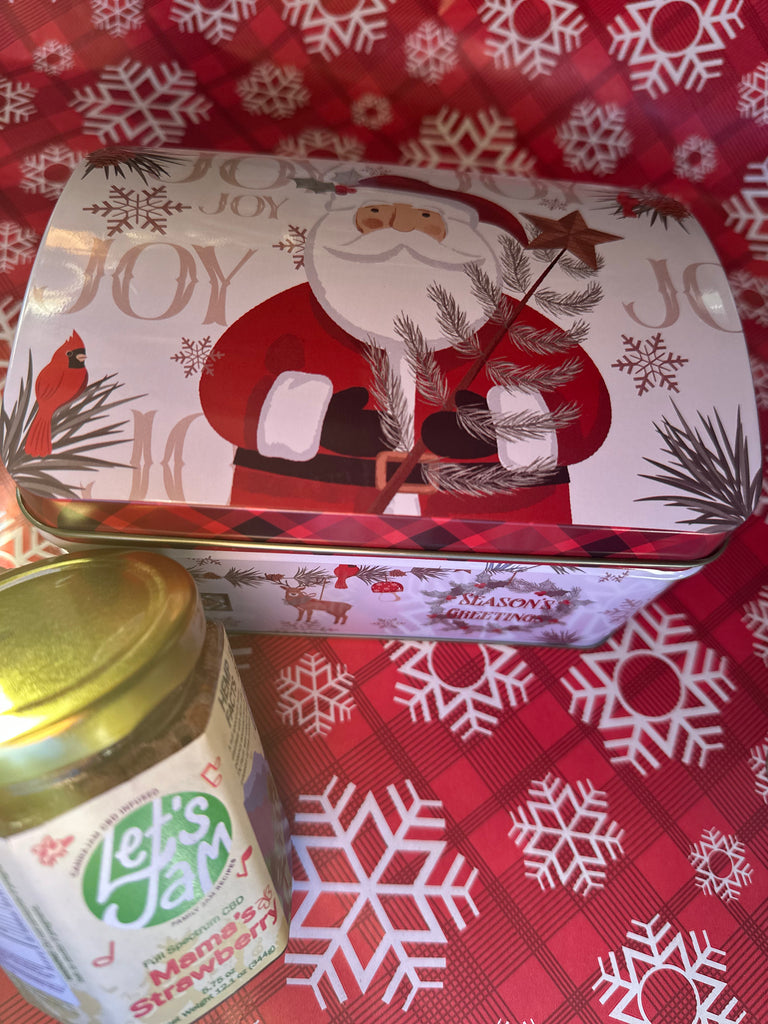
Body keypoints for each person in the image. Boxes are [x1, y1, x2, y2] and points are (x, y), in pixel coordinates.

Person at [199, 175, 611, 523]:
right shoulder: (291, 314)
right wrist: (315, 419)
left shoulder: (515, 325)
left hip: (487, 521)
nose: (400, 231)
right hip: (305, 506)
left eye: (426, 220)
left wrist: (501, 431)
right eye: (377, 215)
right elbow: (227, 378)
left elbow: (586, 406)